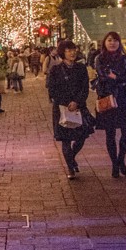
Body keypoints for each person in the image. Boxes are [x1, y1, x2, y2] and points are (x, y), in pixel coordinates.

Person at [48, 39, 93, 180]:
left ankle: (71, 158)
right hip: (62, 109)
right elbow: (52, 90)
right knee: (66, 139)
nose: (72, 52)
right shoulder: (55, 69)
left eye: (74, 49)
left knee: (82, 136)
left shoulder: (81, 68)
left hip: (79, 107)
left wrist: (77, 102)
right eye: (68, 50)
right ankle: (70, 168)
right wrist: (67, 103)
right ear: (63, 52)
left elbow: (85, 88)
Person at [94, 30, 126, 178]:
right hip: (107, 99)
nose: (113, 43)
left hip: (123, 99)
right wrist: (123, 79)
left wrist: (117, 77)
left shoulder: (125, 59)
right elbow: (103, 76)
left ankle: (121, 160)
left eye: (115, 40)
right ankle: (114, 163)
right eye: (110, 40)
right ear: (105, 42)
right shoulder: (100, 58)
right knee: (110, 133)